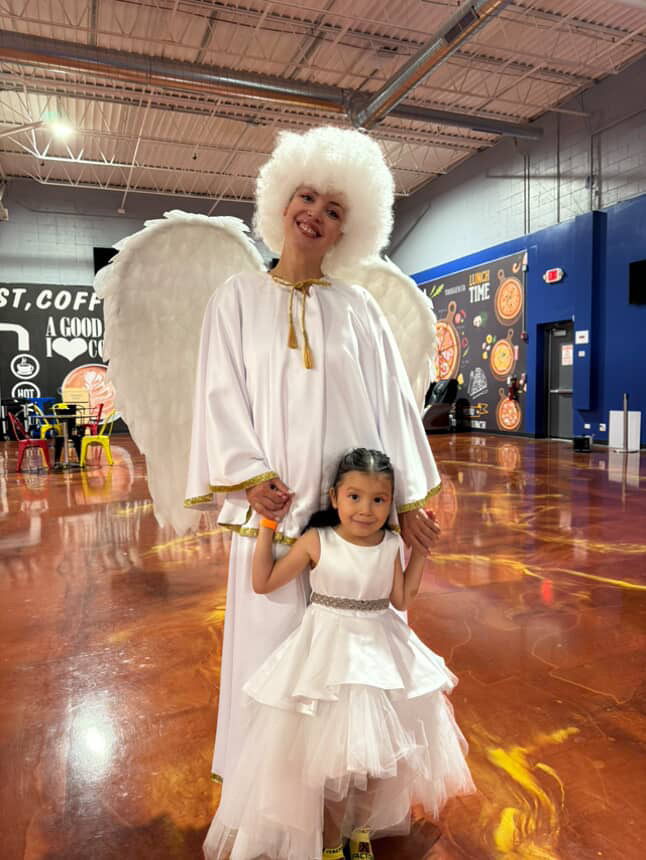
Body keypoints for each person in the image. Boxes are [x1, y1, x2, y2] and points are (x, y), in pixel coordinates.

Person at [184, 127, 442, 812]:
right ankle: (277, 807)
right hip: (273, 523)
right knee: (275, 670)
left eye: (334, 209)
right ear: (281, 200)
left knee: (351, 677)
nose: (316, 215)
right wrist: (247, 476)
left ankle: (344, 809)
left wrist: (408, 502)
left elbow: (393, 408)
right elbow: (218, 394)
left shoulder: (359, 309)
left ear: (347, 230)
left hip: (352, 530)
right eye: (307, 197)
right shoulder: (234, 300)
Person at [202, 448, 474, 860]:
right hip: (326, 655)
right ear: (334, 497)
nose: (366, 510)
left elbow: (401, 598)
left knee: (374, 764)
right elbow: (264, 581)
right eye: (354, 497)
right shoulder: (318, 540)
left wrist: (420, 550)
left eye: (379, 500)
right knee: (332, 768)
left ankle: (361, 830)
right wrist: (267, 526)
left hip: (380, 654)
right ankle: (331, 843)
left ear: (390, 503)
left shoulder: (390, 544)